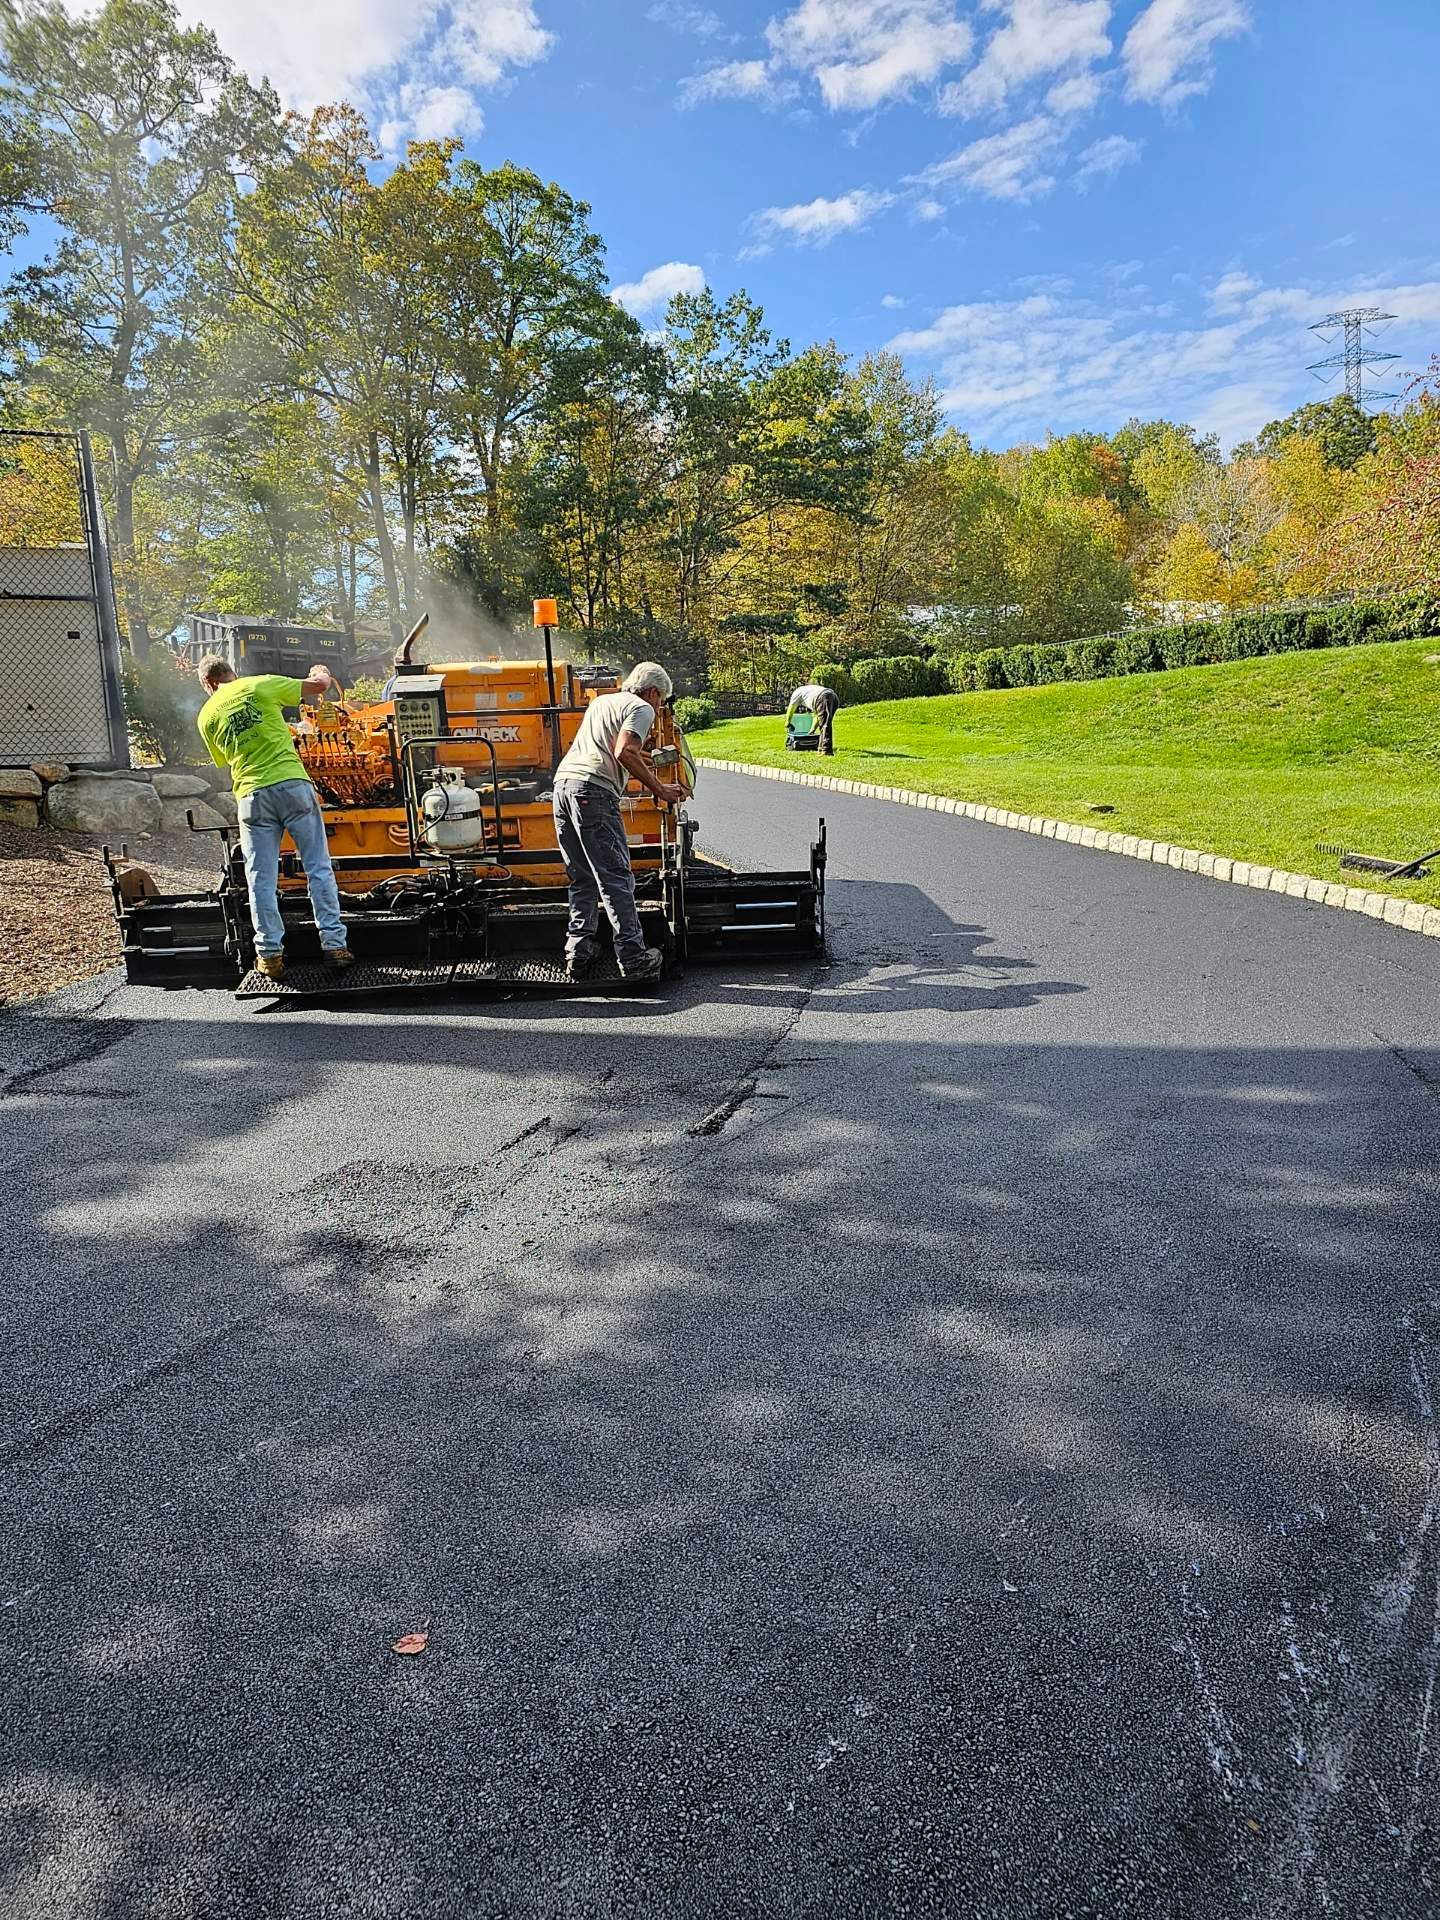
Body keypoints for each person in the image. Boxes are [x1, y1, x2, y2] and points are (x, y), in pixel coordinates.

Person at [195, 654, 353, 981]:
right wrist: (320, 670)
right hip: (292, 786)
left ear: (208, 683)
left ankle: (269, 956)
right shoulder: (259, 684)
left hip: (252, 797)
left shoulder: (206, 715)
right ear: (231, 673)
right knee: (317, 868)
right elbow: (319, 686)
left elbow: (224, 759)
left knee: (260, 878)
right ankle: (335, 946)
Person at [552, 660, 685, 984]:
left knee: (581, 877)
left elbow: (611, 747)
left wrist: (648, 756)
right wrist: (661, 789)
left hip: (562, 788)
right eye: (661, 700)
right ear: (653, 691)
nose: (658, 707)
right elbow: (624, 750)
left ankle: (578, 954)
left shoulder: (601, 702)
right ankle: (634, 959)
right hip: (593, 794)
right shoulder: (642, 708)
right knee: (615, 879)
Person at [786, 680, 839, 755]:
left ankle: (826, 751)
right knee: (824, 724)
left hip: (824, 697)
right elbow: (817, 716)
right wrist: (812, 730)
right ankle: (821, 749)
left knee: (825, 725)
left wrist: (787, 722)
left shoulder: (796, 693)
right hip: (833, 697)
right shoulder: (809, 693)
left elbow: (791, 708)